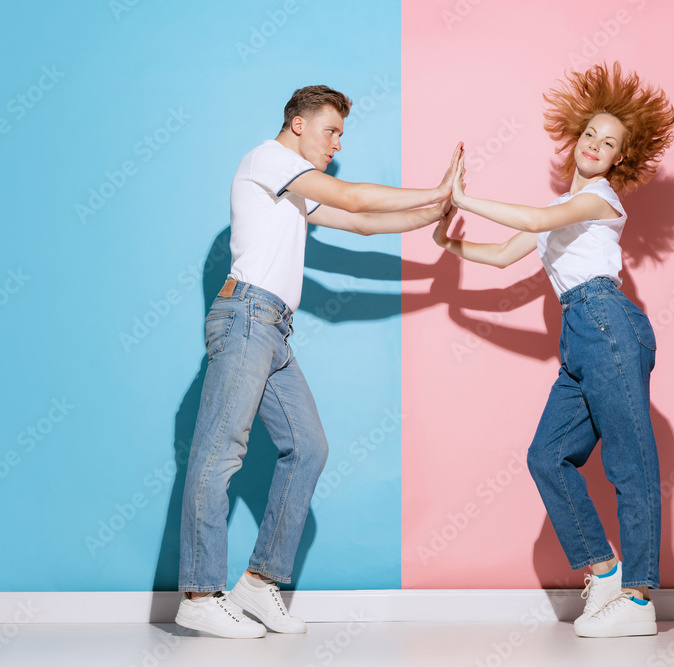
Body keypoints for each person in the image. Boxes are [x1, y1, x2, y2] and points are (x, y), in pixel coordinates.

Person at [176, 85, 461, 639]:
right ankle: (199, 592)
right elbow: (354, 199)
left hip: (273, 327)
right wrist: (435, 188)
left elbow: (361, 224)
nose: (336, 143)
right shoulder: (267, 159)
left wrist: (436, 209)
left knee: (308, 448)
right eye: (331, 131)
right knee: (219, 452)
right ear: (298, 124)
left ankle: (258, 585)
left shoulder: (294, 193)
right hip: (246, 318)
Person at [433, 62, 674, 638]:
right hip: (579, 335)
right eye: (590, 134)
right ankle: (606, 571)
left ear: (620, 158)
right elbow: (500, 257)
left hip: (609, 323)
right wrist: (448, 241)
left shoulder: (599, 199)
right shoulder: (560, 215)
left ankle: (640, 598)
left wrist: (465, 195)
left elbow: (540, 216)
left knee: (628, 459)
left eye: (609, 142)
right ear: (575, 138)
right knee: (548, 456)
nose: (595, 145)